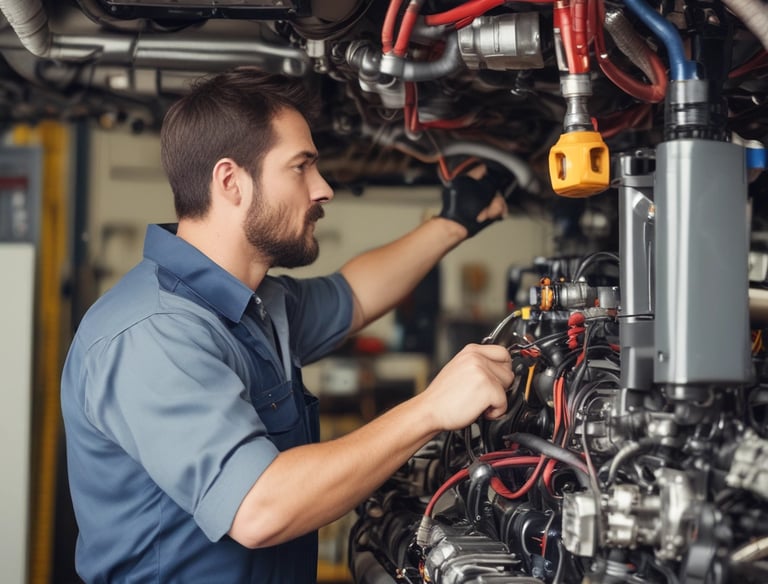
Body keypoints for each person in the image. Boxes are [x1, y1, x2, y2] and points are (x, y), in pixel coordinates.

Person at [60, 68, 514, 583]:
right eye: (301, 167)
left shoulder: (256, 302)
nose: (323, 189)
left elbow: (356, 294)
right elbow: (258, 508)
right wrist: (430, 410)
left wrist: (454, 221)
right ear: (231, 181)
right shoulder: (154, 332)